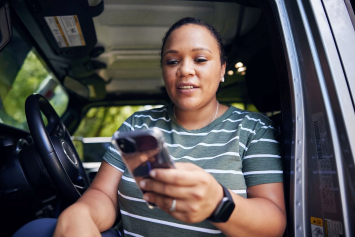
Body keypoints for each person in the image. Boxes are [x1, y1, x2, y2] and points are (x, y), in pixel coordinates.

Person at [14, 17, 286, 237]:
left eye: (200, 59)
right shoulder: (139, 125)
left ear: (223, 68)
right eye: (172, 61)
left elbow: (274, 222)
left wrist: (219, 203)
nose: (185, 70)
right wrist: (79, 214)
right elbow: (103, 195)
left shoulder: (252, 128)